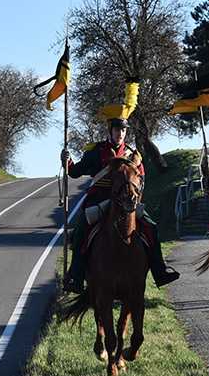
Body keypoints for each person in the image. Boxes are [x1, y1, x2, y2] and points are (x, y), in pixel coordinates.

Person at [61, 80, 179, 293]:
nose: (120, 134)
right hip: (99, 199)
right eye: (117, 130)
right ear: (110, 130)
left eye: (123, 131)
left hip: (126, 200)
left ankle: (160, 272)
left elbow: (141, 179)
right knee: (80, 231)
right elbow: (75, 172)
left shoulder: (133, 155)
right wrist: (67, 160)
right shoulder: (96, 152)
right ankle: (76, 277)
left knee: (152, 227)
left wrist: (135, 195)